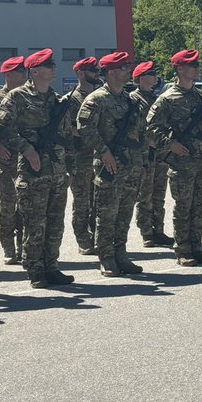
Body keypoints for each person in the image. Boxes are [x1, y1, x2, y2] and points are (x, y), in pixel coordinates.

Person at [0, 49, 77, 288]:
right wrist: (26, 148)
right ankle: (35, 269)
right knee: (34, 223)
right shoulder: (18, 97)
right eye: (48, 64)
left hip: (57, 171)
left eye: (52, 64)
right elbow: (1, 126)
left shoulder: (57, 100)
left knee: (55, 222)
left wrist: (67, 167)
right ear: (35, 70)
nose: (53, 67)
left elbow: (66, 136)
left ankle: (51, 266)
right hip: (33, 172)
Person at [145, 49, 202, 266]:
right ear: (179, 68)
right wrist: (170, 144)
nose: (196, 69)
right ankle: (183, 249)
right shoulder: (167, 99)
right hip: (182, 163)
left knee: (199, 207)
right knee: (183, 206)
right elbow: (151, 128)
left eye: (197, 65)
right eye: (192, 65)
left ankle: (196, 246)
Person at [77, 51, 147, 277]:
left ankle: (121, 254)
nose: (128, 71)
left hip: (131, 165)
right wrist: (104, 151)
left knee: (125, 212)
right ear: (112, 72)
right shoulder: (96, 99)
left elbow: (140, 133)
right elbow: (85, 129)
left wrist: (143, 163)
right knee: (106, 214)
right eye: (124, 68)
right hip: (109, 165)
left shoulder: (130, 100)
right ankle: (106, 257)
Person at [0, 56, 28, 264]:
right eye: (20, 72)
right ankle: (8, 246)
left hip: (25, 160)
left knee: (25, 206)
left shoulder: (26, 97)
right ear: (8, 74)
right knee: (7, 206)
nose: (24, 75)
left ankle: (23, 246)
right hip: (6, 161)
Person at [131, 61, 173, 247]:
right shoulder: (134, 99)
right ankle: (146, 231)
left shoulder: (156, 98)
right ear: (140, 78)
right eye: (150, 74)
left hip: (160, 153)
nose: (154, 77)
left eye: (154, 73)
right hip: (145, 153)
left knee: (159, 193)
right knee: (145, 194)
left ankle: (159, 229)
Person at [65, 57, 101, 254]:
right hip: (81, 157)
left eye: (96, 70)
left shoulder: (99, 97)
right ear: (80, 73)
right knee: (81, 201)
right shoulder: (71, 100)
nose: (96, 73)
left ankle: (97, 236)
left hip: (99, 155)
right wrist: (86, 131)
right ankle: (82, 238)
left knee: (99, 200)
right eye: (91, 70)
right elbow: (68, 128)